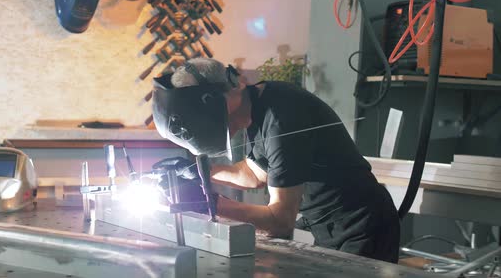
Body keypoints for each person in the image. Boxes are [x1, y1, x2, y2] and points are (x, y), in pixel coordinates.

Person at [151, 58, 400, 263]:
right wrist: (198, 172)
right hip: (331, 226)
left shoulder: (282, 116)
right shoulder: (258, 106)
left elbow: (280, 221)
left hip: (362, 227)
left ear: (221, 96)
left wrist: (208, 204)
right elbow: (254, 174)